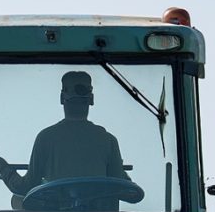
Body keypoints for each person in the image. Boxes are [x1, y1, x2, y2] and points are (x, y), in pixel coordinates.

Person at [7, 70, 127, 201]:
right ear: (91, 100)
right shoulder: (108, 140)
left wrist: (0, 164)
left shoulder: (46, 137)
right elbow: (127, 191)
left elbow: (25, 187)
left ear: (61, 98)